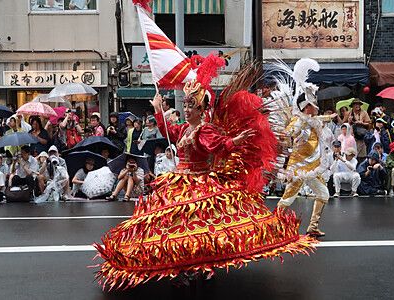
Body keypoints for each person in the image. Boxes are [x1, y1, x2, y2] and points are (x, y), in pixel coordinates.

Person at [95, 56, 314, 289]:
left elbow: (216, 145)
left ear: (202, 109)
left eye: (192, 106)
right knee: (173, 228)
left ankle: (198, 266)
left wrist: (234, 140)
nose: (187, 109)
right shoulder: (183, 129)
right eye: (186, 105)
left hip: (199, 182)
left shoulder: (204, 130)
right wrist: (158, 110)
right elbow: (168, 129)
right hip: (178, 182)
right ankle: (183, 265)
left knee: (200, 228)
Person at [278, 92, 330, 237]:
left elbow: (317, 120)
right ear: (307, 106)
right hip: (299, 169)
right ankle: (274, 226)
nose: (316, 106)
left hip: (313, 168)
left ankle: (312, 227)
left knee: (324, 194)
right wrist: (284, 136)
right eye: (313, 103)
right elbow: (288, 132)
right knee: (287, 199)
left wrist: (329, 117)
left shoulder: (313, 120)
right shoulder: (298, 120)